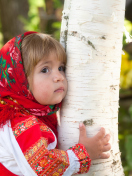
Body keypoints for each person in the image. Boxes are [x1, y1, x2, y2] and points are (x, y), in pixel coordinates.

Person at [0, 31, 111, 176]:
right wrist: (83, 153)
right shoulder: (18, 122)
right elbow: (43, 168)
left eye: (61, 68)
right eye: (45, 70)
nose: (59, 77)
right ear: (21, 81)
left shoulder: (37, 114)